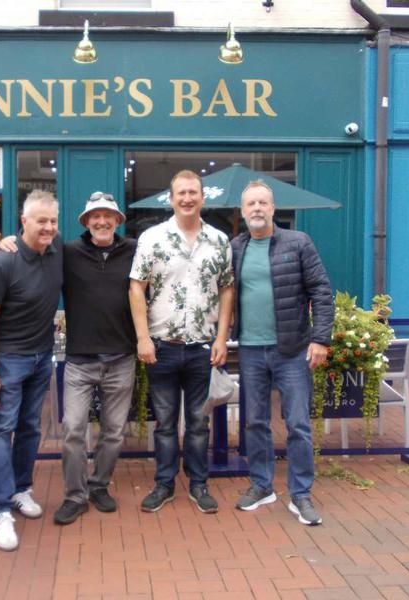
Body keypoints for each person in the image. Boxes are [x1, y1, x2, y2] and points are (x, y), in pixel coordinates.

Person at [129, 170, 234, 514]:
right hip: (162, 346)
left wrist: (222, 337)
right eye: (181, 193)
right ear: (171, 198)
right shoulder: (152, 238)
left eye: (193, 192)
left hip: (203, 347)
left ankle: (199, 483)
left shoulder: (219, 240)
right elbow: (136, 287)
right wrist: (142, 337)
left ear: (202, 197)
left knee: (199, 422)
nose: (187, 198)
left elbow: (227, 288)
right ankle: (164, 483)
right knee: (164, 422)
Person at [231, 180, 333, 526]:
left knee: (298, 424)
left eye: (263, 202)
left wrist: (321, 339)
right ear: (243, 211)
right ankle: (262, 486)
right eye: (251, 204)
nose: (257, 208)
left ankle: (301, 494)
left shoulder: (298, 242)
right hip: (250, 349)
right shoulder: (235, 248)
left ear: (273, 208)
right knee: (255, 422)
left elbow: (321, 291)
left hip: (292, 350)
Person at [0, 190, 62, 551]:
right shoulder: (3, 262)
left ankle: (20, 489)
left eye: (53, 221)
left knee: (30, 428)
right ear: (24, 221)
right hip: (8, 359)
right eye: (41, 221)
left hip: (42, 357)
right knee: (1, 430)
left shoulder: (57, 251)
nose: (48, 228)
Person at [52, 192, 137, 525]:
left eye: (108, 216)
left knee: (114, 432)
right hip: (80, 360)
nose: (102, 221)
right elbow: (34, 251)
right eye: (95, 216)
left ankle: (99, 485)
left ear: (117, 220)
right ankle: (75, 495)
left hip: (122, 358)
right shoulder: (68, 252)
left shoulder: (135, 250)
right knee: (73, 430)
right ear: (86, 221)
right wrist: (8, 243)